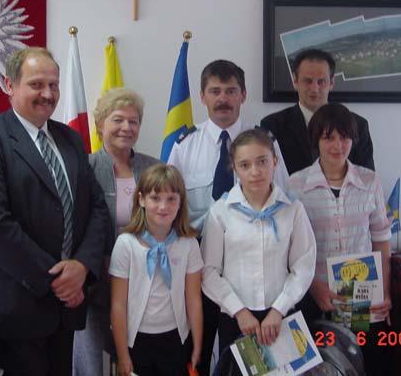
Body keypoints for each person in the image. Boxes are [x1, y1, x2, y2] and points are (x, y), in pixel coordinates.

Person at [0, 47, 108, 376]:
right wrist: (58, 280)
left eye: (53, 85)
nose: (48, 94)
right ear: (10, 85)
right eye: (37, 84)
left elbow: (96, 208)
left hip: (67, 308)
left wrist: (82, 266)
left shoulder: (70, 138)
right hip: (18, 306)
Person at [168, 60, 288, 375]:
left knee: (255, 359)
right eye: (215, 91)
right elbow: (168, 208)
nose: (223, 98)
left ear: (244, 95)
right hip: (196, 269)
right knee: (197, 352)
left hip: (252, 268)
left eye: (231, 91)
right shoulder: (185, 146)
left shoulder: (265, 145)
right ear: (202, 96)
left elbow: (285, 201)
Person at [287, 103, 392, 376]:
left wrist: (385, 291)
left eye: (344, 137)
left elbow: (381, 240)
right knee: (317, 368)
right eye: (328, 137)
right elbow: (289, 250)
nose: (338, 145)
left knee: (365, 363)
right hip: (314, 297)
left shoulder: (370, 182)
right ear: (315, 141)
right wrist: (314, 287)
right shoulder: (295, 186)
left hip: (360, 293)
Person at [201, 128, 316, 354]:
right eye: (245, 165)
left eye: (262, 161)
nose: (255, 171)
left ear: (274, 161)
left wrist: (278, 310)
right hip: (237, 319)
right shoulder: (220, 211)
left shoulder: (293, 209)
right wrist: (239, 311)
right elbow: (209, 271)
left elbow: (303, 266)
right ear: (234, 168)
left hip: (281, 317)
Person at [73, 88, 159, 376]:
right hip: (96, 285)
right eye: (118, 119)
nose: (126, 127)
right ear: (100, 124)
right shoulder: (83, 168)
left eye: (133, 121)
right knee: (92, 364)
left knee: (137, 362)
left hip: (144, 285)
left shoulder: (153, 168)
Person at [109, 164, 203, 376]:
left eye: (171, 199)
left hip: (175, 338)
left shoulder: (188, 244)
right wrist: (123, 356)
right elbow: (118, 305)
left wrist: (198, 344)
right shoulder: (126, 244)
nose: (163, 206)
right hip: (136, 340)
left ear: (180, 203)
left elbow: (194, 299)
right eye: (155, 198)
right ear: (141, 199)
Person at [261, 48, 375, 175]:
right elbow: (269, 177)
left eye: (321, 81)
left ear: (332, 83)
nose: (315, 89)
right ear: (295, 81)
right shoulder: (272, 126)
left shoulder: (358, 125)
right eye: (308, 81)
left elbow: (366, 178)